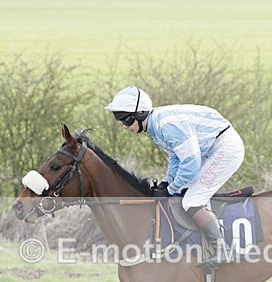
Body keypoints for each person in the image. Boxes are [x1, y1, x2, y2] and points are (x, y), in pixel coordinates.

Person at [105, 85, 245, 266]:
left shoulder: (166, 126)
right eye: (121, 122)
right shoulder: (155, 126)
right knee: (185, 192)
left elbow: (191, 163)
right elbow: (176, 159)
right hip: (210, 148)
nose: (125, 127)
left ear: (140, 114)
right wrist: (166, 183)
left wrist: (171, 190)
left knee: (192, 200)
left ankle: (221, 250)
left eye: (126, 121)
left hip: (225, 148)